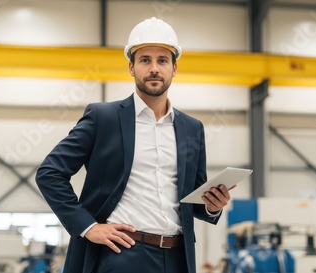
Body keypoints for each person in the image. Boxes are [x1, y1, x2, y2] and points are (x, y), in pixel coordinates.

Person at [35, 17, 234, 273]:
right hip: (123, 253)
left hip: (178, 257)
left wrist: (211, 206)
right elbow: (50, 173)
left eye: (162, 60)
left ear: (174, 69)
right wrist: (88, 226)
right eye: (145, 60)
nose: (154, 68)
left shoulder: (192, 128)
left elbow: (191, 196)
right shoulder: (102, 118)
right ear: (131, 67)